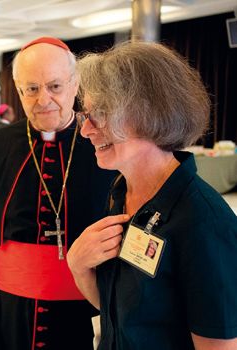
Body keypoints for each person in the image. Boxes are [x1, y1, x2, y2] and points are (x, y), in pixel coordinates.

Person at [0, 37, 116, 350]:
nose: (43, 99)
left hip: (86, 313)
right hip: (8, 313)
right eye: (32, 89)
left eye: (54, 86)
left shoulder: (106, 147)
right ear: (18, 89)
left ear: (75, 84)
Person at [67, 41, 237, 349]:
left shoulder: (204, 223)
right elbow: (120, 315)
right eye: (86, 114)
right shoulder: (121, 193)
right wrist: (78, 267)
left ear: (149, 112)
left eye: (101, 113)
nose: (86, 129)